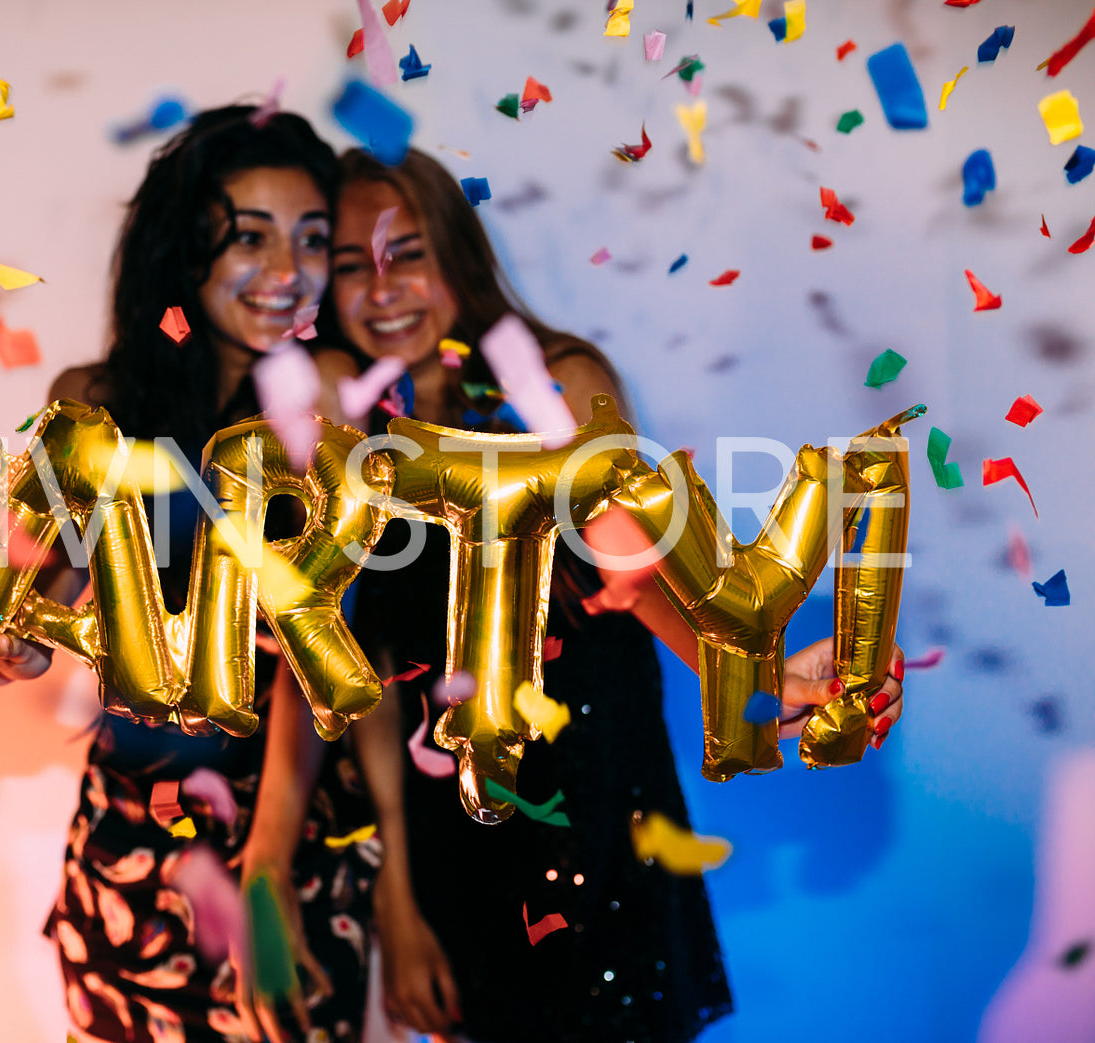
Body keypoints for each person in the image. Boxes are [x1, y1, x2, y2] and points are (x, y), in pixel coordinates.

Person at [313, 148, 906, 1043]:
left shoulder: (559, 383)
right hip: (455, 825)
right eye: (350, 263)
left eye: (410, 250)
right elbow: (372, 673)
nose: (381, 287)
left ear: (460, 252)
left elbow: (638, 578)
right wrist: (396, 891)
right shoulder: (345, 435)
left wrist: (759, 675)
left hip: (598, 799)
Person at [0, 107, 377, 1043]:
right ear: (184, 248)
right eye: (250, 237)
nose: (288, 274)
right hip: (124, 825)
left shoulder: (326, 401)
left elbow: (323, 659)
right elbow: (49, 594)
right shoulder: (93, 402)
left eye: (312, 240)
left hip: (287, 830)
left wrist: (269, 868)